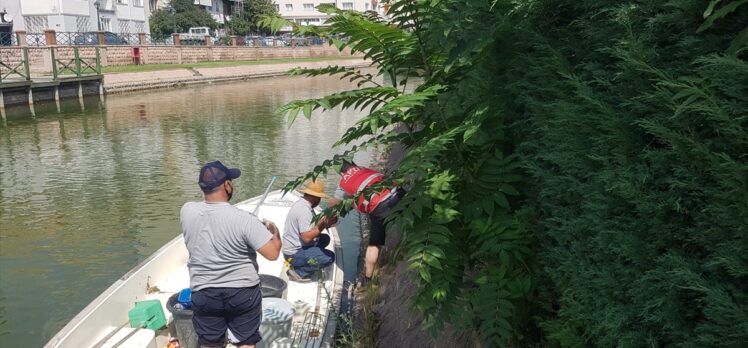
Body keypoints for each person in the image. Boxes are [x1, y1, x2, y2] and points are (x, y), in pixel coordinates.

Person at [181, 161, 281, 348]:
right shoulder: (245, 220)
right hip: (242, 293)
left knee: (210, 345)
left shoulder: (186, 211)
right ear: (227, 185)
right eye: (231, 181)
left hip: (204, 292)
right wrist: (274, 231)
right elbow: (273, 253)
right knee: (246, 343)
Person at [329, 160, 405, 284]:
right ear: (353, 165)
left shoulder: (343, 183)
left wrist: (331, 214)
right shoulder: (365, 170)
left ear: (341, 173)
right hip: (398, 192)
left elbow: (334, 203)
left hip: (380, 206)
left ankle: (367, 277)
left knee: (374, 244)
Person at [282, 179, 338, 281]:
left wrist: (327, 222)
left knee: (325, 238)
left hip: (295, 247)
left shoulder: (304, 204)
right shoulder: (304, 211)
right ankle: (299, 272)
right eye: (319, 198)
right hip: (293, 254)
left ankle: (306, 260)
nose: (320, 200)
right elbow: (307, 238)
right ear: (316, 197)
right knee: (329, 257)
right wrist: (323, 224)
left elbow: (312, 227)